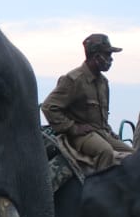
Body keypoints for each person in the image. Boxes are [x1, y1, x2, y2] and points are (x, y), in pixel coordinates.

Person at [41, 33, 133, 170]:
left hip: (101, 132)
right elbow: (49, 107)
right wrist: (73, 128)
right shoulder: (74, 80)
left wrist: (109, 131)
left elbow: (102, 116)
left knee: (135, 155)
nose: (111, 59)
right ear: (96, 57)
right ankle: (101, 188)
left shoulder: (103, 82)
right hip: (79, 137)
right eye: (107, 55)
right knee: (105, 152)